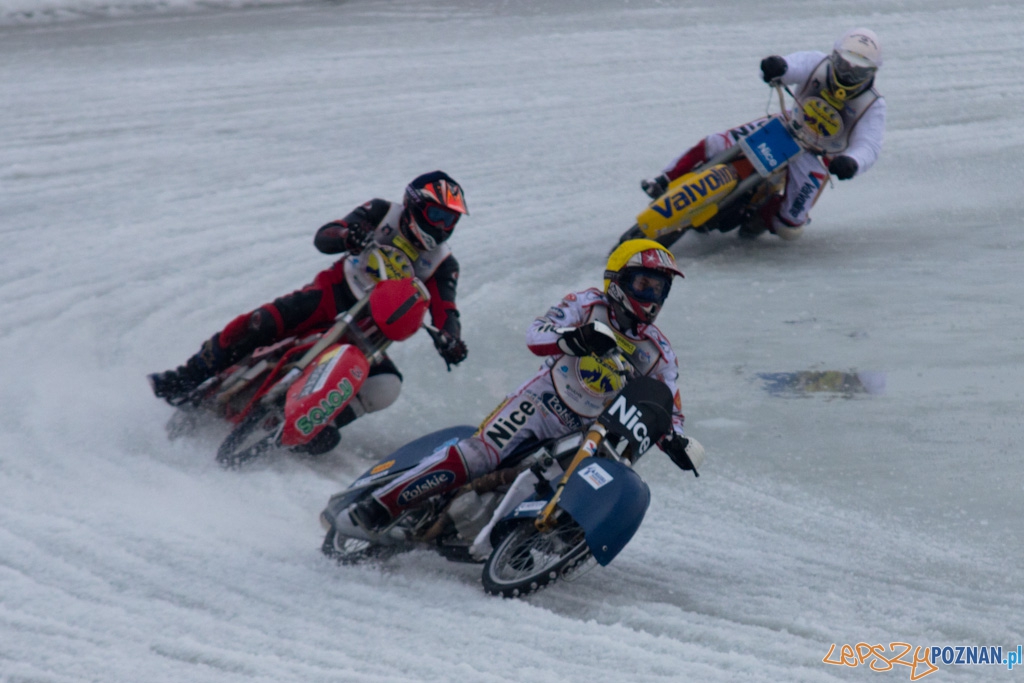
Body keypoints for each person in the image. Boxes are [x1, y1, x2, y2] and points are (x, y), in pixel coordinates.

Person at [349, 239, 705, 531]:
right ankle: (382, 503)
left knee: (577, 481)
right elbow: (536, 334)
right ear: (619, 279)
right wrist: (574, 338)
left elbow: (667, 406)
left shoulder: (659, 352)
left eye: (660, 288)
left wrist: (675, 440)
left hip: (588, 430)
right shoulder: (586, 304)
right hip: (541, 402)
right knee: (478, 455)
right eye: (644, 284)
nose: (652, 297)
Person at [149, 170, 470, 453]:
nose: (442, 227)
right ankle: (186, 376)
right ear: (413, 204)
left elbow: (446, 311)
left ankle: (321, 425)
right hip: (333, 293)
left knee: (386, 386)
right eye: (436, 216)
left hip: (373, 332)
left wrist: (451, 341)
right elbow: (326, 235)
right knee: (262, 322)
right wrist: (348, 234)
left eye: (450, 220)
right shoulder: (381, 211)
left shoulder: (443, 263)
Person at [641, 28, 886, 240]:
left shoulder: (872, 104)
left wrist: (852, 162)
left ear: (872, 73)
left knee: (790, 227)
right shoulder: (816, 63)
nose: (847, 75)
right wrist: (776, 67)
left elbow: (869, 145)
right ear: (834, 57)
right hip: (786, 127)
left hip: (816, 155)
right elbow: (791, 67)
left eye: (858, 72)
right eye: (844, 65)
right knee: (715, 143)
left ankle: (762, 213)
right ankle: (664, 179)